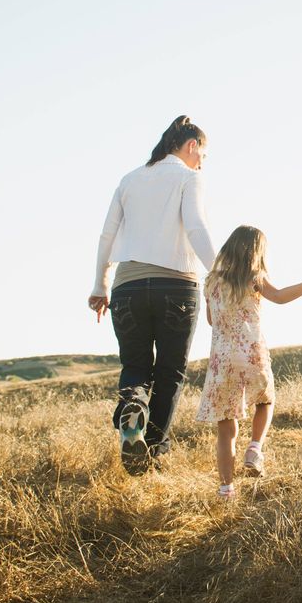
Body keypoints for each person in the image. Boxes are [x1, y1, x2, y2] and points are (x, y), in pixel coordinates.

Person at [88, 115, 216, 475]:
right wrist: (220, 272)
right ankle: (155, 452)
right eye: (202, 154)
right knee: (170, 372)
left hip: (127, 287)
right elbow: (195, 226)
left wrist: (100, 284)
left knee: (135, 367)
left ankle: (134, 411)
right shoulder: (190, 178)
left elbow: (105, 236)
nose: (202, 162)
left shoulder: (129, 180)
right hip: (176, 285)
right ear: (191, 146)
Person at [195, 225, 302, 500]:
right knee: (266, 400)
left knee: (226, 427)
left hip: (222, 361)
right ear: (256, 252)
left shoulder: (210, 281)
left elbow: (211, 320)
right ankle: (255, 449)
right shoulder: (254, 277)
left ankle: (225, 489)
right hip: (251, 353)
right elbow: (280, 297)